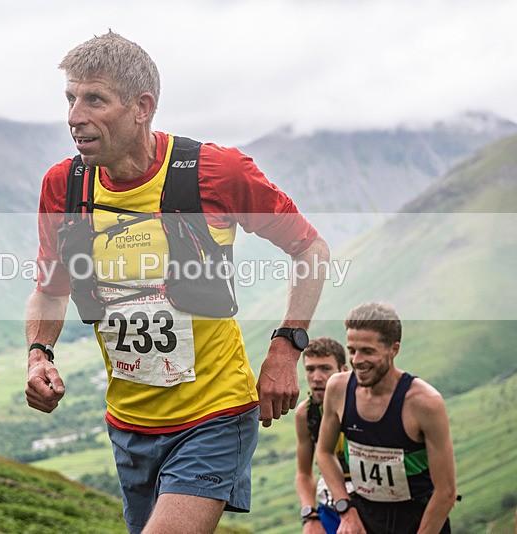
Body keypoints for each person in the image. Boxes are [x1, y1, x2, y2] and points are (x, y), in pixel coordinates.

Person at [24, 31, 329, 534]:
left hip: (214, 413)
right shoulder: (64, 185)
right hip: (128, 424)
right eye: (70, 99)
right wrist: (39, 355)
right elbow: (50, 290)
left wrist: (286, 346)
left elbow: (310, 250)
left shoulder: (214, 170)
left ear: (142, 106)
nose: (75, 116)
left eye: (94, 99)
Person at [316, 302, 458, 534]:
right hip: (363, 517)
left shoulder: (424, 402)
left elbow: (446, 492)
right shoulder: (338, 388)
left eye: (368, 351)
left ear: (394, 349)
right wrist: (346, 511)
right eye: (352, 350)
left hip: (420, 521)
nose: (357, 360)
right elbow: (324, 452)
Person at [294, 337, 351, 533]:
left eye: (325, 369)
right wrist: (310, 516)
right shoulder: (306, 413)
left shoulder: (362, 404)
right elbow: (303, 473)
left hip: (370, 505)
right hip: (329, 508)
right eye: (310, 369)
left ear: (344, 371)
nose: (316, 377)